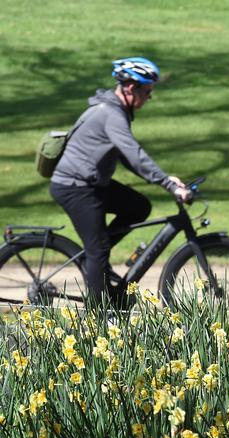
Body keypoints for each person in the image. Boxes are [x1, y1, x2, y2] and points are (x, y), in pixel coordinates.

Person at [50, 57, 191, 304]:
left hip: (92, 184)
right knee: (98, 249)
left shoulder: (117, 111)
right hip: (75, 187)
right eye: (147, 91)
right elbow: (134, 154)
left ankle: (95, 258)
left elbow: (127, 157)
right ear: (130, 88)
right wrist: (169, 185)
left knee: (138, 207)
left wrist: (163, 179)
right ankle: (99, 316)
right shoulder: (110, 113)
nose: (149, 97)